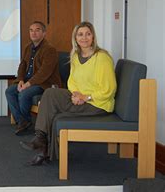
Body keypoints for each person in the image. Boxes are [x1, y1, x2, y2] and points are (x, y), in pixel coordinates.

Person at [20, 21, 117, 165]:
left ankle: (43, 151)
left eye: (88, 34)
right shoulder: (76, 56)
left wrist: (86, 97)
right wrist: (76, 93)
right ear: (75, 38)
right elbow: (72, 81)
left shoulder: (102, 57)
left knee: (52, 110)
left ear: (93, 37)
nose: (84, 38)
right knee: (50, 94)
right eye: (80, 34)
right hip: (79, 98)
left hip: (98, 104)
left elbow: (109, 89)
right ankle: (40, 139)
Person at [5, 21, 61, 135]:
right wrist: (20, 80)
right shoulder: (28, 47)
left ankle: (25, 121)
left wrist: (28, 84)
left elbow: (44, 72)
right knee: (9, 91)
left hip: (44, 83)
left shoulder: (50, 49)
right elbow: (23, 65)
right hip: (27, 81)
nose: (33, 33)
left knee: (24, 94)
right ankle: (23, 121)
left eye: (37, 30)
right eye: (31, 30)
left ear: (44, 33)